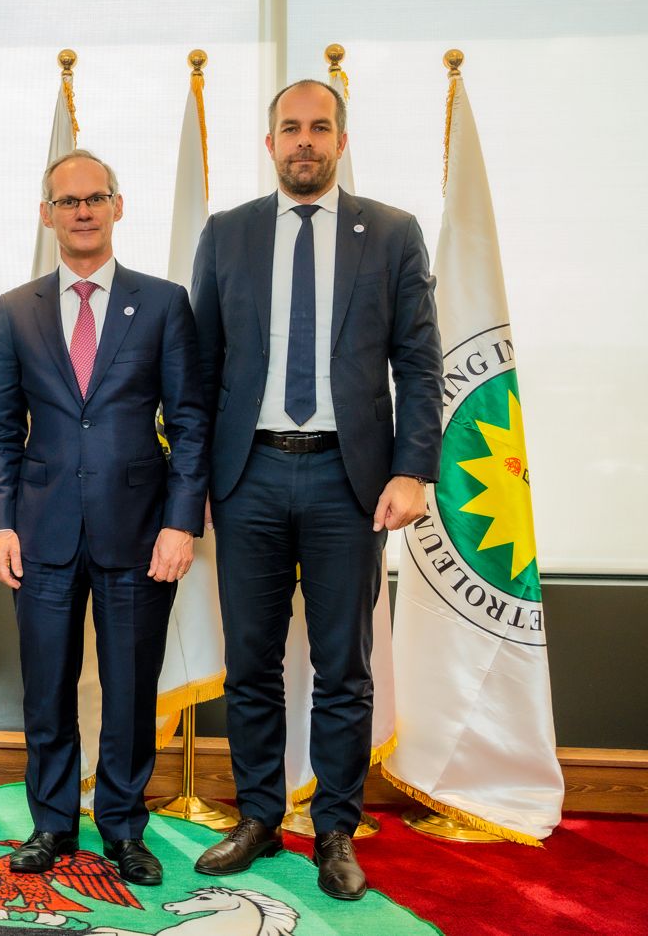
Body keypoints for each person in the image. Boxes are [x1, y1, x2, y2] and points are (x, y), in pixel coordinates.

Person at [189, 80, 442, 900]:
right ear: (269, 143)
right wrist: (194, 481)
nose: (305, 140)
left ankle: (335, 829)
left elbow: (420, 363)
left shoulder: (393, 233)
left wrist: (413, 470)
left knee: (343, 667)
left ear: (341, 140)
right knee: (250, 663)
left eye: (320, 127)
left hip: (349, 479)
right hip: (248, 475)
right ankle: (260, 816)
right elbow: (199, 369)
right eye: (291, 128)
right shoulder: (227, 233)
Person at [0, 149, 207, 886]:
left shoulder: (163, 303)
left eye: (95, 198)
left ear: (117, 206)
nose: (82, 211)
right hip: (40, 533)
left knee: (130, 691)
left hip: (140, 532)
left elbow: (190, 423)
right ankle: (51, 824)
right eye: (67, 201)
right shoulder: (17, 308)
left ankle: (123, 827)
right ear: (46, 214)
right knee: (46, 690)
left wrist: (181, 522)